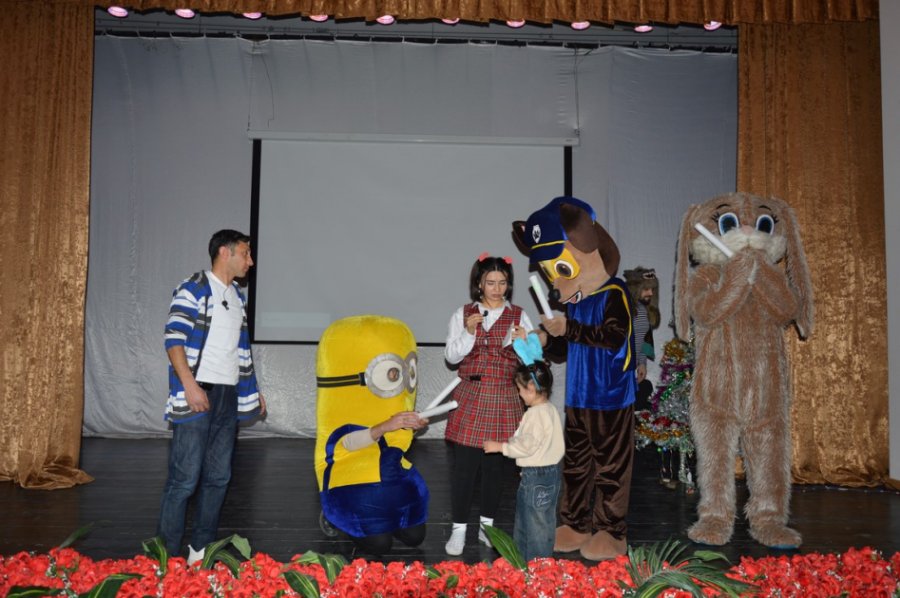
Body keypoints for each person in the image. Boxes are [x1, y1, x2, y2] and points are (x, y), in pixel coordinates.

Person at [513, 196, 636, 561]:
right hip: (578, 398)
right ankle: (575, 523)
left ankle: (611, 531)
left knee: (611, 468)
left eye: (562, 270)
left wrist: (569, 328)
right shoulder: (576, 304)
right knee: (577, 466)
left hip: (611, 397)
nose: (557, 284)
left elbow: (613, 336)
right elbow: (567, 348)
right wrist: (546, 339)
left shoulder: (615, 293)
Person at [157, 229, 265, 564]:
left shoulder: (237, 297)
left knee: (219, 477)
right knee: (184, 479)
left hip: (228, 396)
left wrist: (253, 391)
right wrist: (189, 386)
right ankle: (166, 557)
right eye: (245, 253)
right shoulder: (194, 288)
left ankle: (200, 552)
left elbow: (239, 352)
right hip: (198, 392)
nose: (250, 261)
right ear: (224, 252)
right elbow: (174, 339)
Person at [443, 253, 534, 556]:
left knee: (495, 469)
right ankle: (458, 530)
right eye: (490, 282)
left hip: (504, 397)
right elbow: (451, 357)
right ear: (479, 284)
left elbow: (534, 362)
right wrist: (469, 332)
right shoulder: (463, 314)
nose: (497, 289)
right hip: (471, 395)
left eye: (502, 283)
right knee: (464, 469)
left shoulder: (519, 316)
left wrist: (525, 343)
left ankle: (487, 528)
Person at [484, 360, 564, 562]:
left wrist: (500, 447)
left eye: (520, 389)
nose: (519, 394)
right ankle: (523, 561)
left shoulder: (536, 415)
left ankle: (537, 565)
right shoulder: (549, 409)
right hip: (548, 472)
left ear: (530, 388)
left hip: (537, 474)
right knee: (532, 518)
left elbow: (527, 445)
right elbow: (543, 445)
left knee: (535, 524)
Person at [623, 267, 660, 411]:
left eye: (652, 289)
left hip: (632, 369)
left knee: (646, 388)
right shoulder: (622, 308)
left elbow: (644, 338)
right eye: (646, 289)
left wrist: (642, 363)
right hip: (619, 371)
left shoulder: (644, 309)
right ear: (635, 288)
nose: (651, 293)